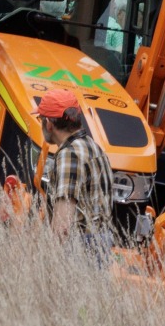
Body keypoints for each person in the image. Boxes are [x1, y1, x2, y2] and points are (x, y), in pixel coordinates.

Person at [35, 88, 115, 260]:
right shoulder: (95, 147)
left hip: (81, 247)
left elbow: (62, 225)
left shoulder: (69, 154)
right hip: (103, 242)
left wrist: (49, 261)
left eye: (40, 118)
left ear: (49, 124)